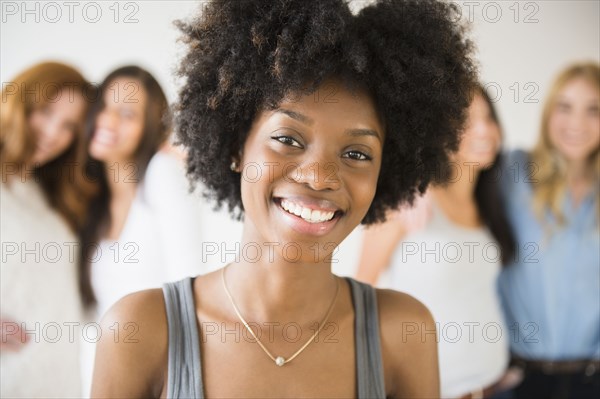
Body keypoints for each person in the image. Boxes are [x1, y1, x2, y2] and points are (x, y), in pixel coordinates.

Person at [91, 0, 477, 397]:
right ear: (237, 146)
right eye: (287, 139)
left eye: (357, 154)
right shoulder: (139, 331)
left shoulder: (402, 333)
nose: (319, 176)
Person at [356, 85, 517, 398]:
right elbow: (361, 289)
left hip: (495, 386)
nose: (484, 129)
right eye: (467, 121)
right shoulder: (406, 203)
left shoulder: (489, 205)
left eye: (488, 117)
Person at [79, 66, 204, 395]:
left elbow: (188, 283)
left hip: (157, 376)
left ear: (149, 128)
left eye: (127, 114)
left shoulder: (162, 174)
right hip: (96, 373)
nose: (108, 121)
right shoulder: (89, 200)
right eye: (103, 107)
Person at [498, 62, 600, 398]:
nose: (577, 123)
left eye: (593, 110)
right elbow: (452, 172)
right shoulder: (513, 171)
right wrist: (417, 198)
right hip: (519, 381)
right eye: (565, 107)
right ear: (548, 113)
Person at [0, 62, 97, 397]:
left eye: (69, 125)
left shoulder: (46, 192)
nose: (54, 133)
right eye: (44, 111)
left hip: (58, 382)